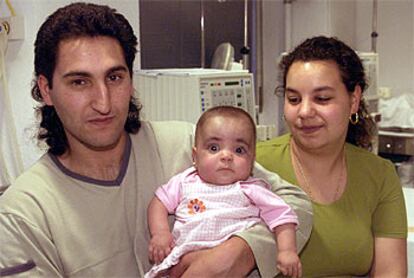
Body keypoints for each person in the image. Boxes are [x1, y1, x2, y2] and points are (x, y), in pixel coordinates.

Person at [0, 2, 312, 277]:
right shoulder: (23, 214)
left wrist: (240, 252)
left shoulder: (189, 146)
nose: (104, 102)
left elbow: (295, 204)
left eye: (115, 77)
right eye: (80, 82)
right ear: (46, 89)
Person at [256, 36, 408, 277]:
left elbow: (391, 272)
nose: (304, 112)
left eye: (322, 98)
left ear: (354, 100)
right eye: (294, 99)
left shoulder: (379, 175)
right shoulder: (254, 166)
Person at [146, 106, 301, 278]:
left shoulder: (252, 189)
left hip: (231, 266)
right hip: (182, 259)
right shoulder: (185, 181)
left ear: (252, 160)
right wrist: (160, 233)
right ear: (195, 157)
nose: (226, 156)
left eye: (239, 150)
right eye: (214, 148)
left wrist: (287, 251)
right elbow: (158, 202)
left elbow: (283, 217)